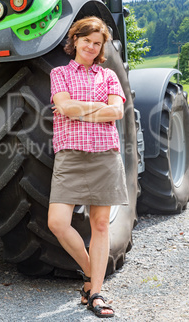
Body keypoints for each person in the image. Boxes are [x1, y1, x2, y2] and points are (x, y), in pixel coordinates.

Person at [48, 16, 128, 318]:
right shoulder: (59, 73)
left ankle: (95, 292)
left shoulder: (108, 76)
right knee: (57, 222)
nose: (92, 47)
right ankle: (90, 270)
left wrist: (79, 109)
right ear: (75, 40)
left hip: (104, 155)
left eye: (97, 43)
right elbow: (65, 108)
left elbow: (117, 112)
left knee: (100, 225)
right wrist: (97, 109)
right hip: (70, 155)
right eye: (87, 41)